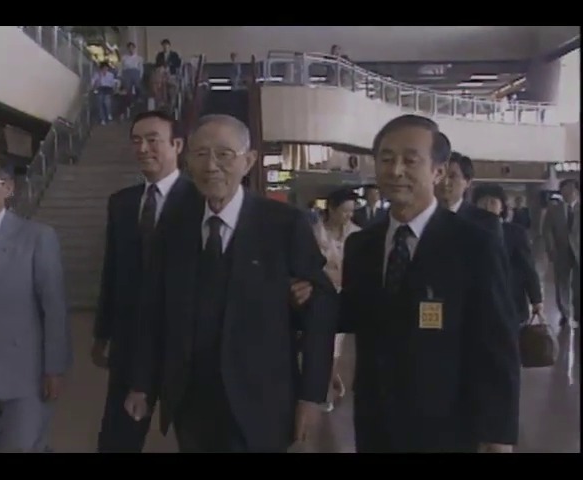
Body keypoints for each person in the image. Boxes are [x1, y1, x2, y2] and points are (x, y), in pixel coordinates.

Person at [125, 114, 338, 453]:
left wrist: (311, 396)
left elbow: (320, 312)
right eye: (201, 154)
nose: (211, 166)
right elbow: (153, 308)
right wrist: (141, 384)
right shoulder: (174, 225)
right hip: (192, 401)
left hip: (262, 401)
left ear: (249, 161)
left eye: (224, 154)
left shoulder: (284, 225)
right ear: (187, 160)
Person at [340, 114, 519, 453]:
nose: (396, 171)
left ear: (437, 171)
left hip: (447, 426)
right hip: (376, 421)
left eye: (410, 160)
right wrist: (304, 295)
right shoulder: (361, 245)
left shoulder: (474, 243)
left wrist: (498, 434)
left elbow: (497, 343)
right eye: (387, 159)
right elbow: (355, 314)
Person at [0, 151, 72, 452]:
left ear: (8, 187)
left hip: (24, 375)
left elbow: (54, 308)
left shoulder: (36, 238)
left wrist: (54, 368)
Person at [92, 110, 195, 452]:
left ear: (177, 144)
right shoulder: (121, 203)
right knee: (117, 439)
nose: (143, 148)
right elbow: (113, 271)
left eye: (153, 140)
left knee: (196, 436)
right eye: (136, 140)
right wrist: (102, 333)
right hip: (130, 343)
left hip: (185, 345)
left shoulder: (200, 201)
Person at [313, 188, 360, 411]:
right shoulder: (315, 234)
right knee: (321, 345)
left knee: (334, 347)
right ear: (331, 208)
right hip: (318, 298)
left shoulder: (357, 235)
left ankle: (330, 382)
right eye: (344, 211)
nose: (348, 216)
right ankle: (323, 390)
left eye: (351, 212)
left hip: (343, 299)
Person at [472, 184, 543, 325]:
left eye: (492, 202)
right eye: (483, 202)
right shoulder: (467, 231)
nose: (487, 207)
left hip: (511, 301)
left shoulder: (515, 233)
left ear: (502, 207)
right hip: (477, 303)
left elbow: (528, 267)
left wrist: (536, 300)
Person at [542, 179, 580, 327]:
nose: (568, 192)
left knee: (577, 285)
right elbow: (547, 231)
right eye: (564, 189)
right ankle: (565, 313)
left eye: (571, 189)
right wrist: (551, 249)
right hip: (561, 251)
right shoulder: (553, 210)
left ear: (577, 191)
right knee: (561, 284)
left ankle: (578, 313)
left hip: (578, 252)